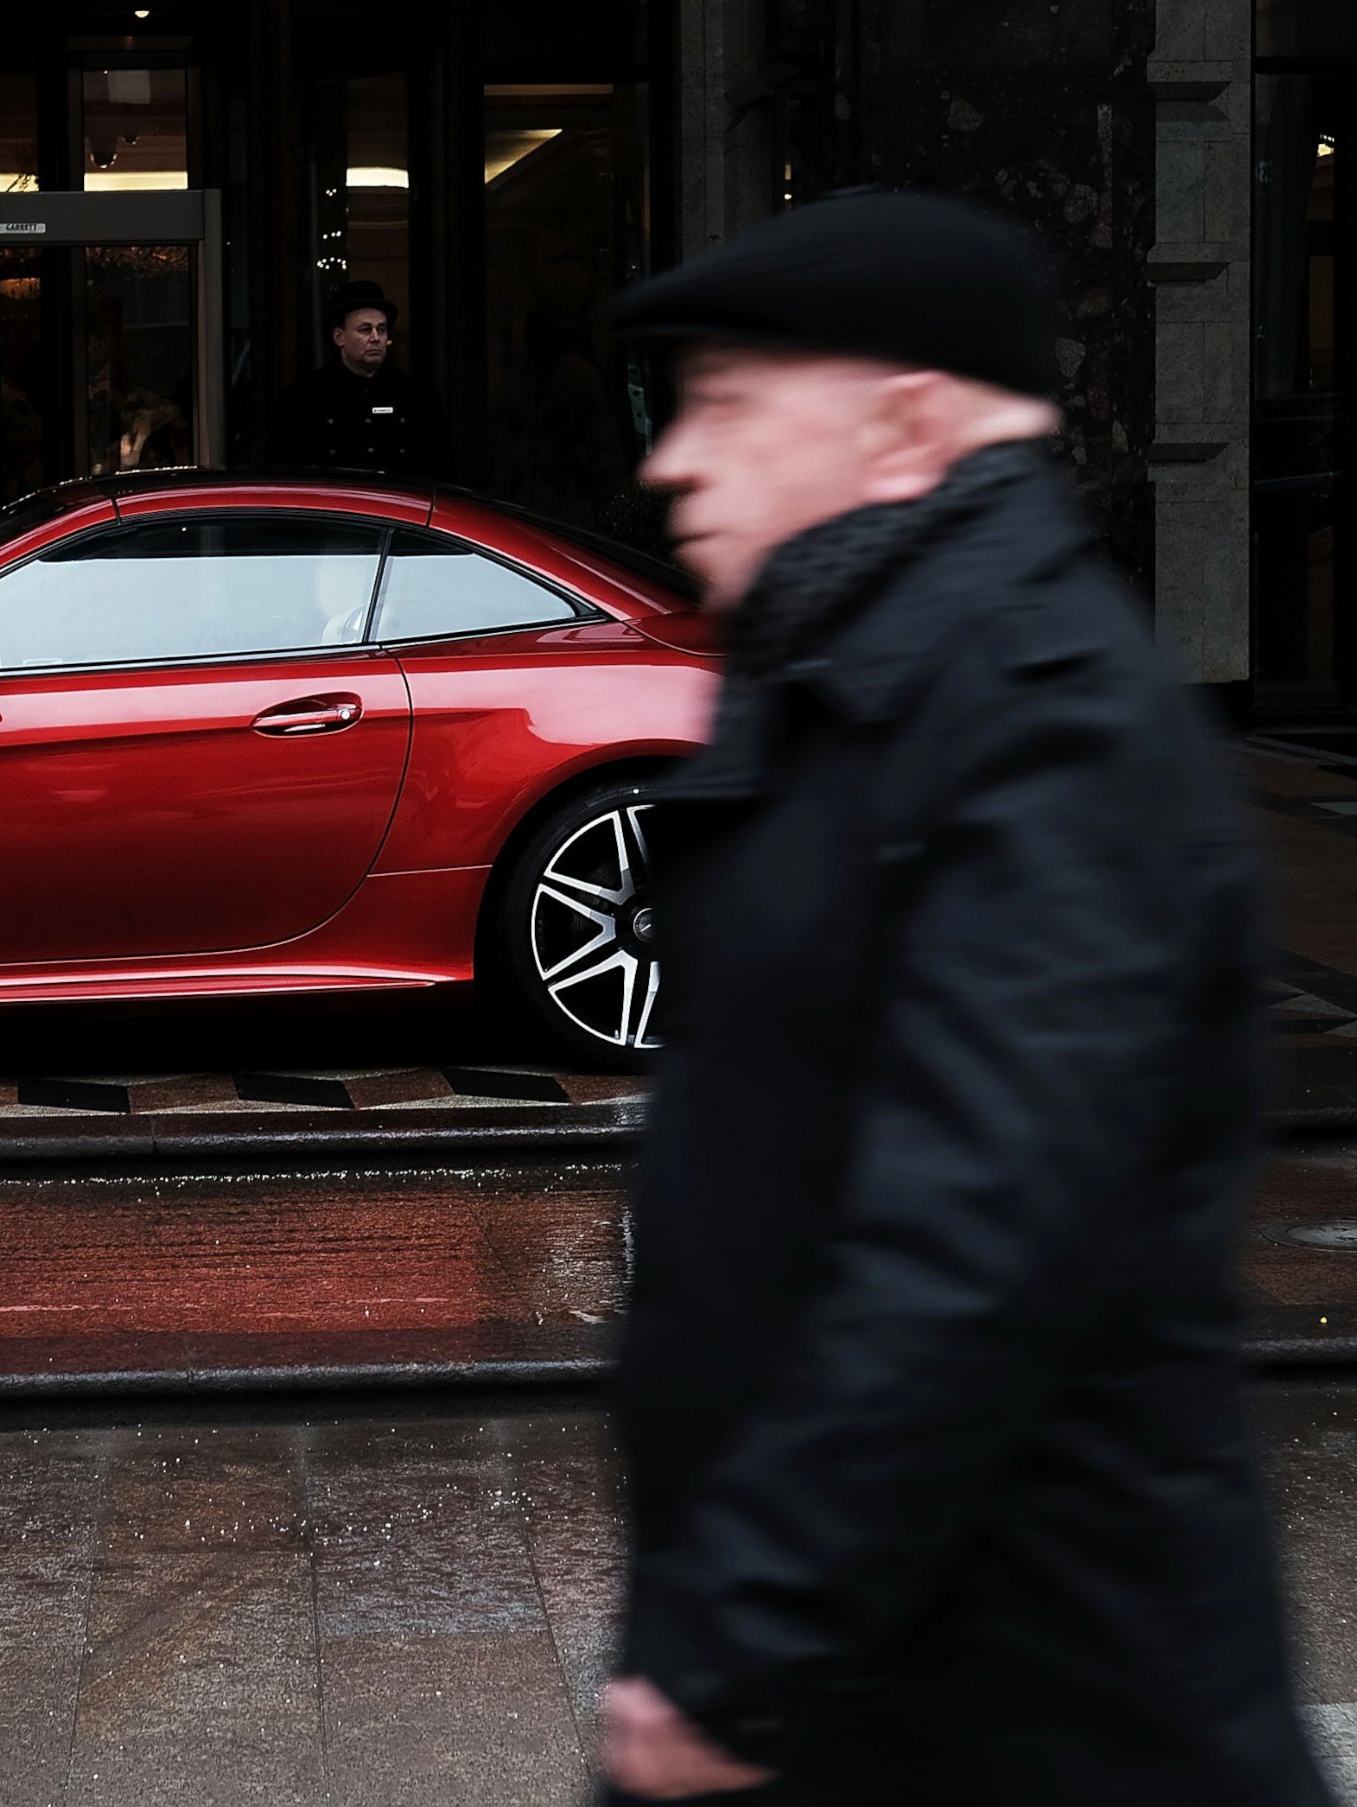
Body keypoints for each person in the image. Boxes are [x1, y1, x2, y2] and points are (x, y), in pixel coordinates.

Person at [597, 189, 1330, 1805]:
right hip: (861, 1665)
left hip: (1025, 1694)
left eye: (724, 404)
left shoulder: (1047, 728)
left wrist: (737, 1639)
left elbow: (976, 1240)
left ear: (902, 421)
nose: (671, 459)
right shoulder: (853, 681)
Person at [267, 279, 450, 478]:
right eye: (365, 329)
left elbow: (439, 471)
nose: (376, 337)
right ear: (339, 337)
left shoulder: (417, 396)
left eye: (381, 329)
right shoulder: (303, 399)